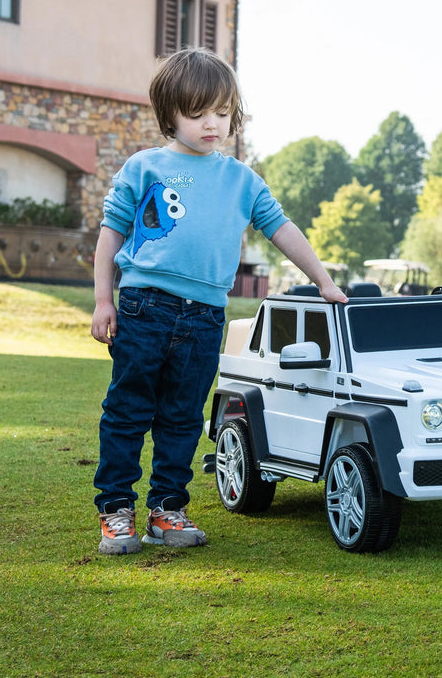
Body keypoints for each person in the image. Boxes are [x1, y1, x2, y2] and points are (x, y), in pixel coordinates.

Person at [91, 47, 347, 555]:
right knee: (127, 410)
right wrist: (104, 300)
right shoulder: (145, 167)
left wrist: (322, 280)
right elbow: (110, 234)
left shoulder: (242, 180)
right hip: (144, 307)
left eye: (223, 113)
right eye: (198, 112)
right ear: (170, 115)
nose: (213, 123)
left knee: (184, 416)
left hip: (205, 317)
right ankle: (116, 510)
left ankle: (167, 511)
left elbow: (282, 228)